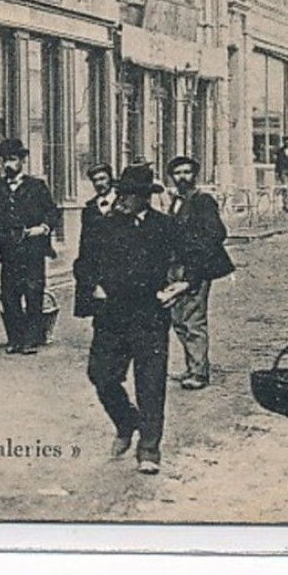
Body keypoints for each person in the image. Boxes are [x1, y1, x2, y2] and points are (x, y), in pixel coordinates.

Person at [76, 164, 184, 475]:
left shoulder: (166, 227)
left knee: (150, 383)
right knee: (101, 375)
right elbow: (83, 264)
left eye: (129, 195)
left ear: (144, 198)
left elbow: (202, 256)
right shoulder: (104, 224)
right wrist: (92, 286)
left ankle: (149, 449)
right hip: (111, 315)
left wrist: (181, 286)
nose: (121, 200)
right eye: (120, 193)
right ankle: (126, 420)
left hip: (150, 314)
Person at [0, 138, 60, 355]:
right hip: (9, 249)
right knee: (10, 294)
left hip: (33, 248)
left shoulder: (37, 186)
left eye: (13, 160)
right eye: (4, 160)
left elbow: (52, 212)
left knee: (34, 291)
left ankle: (31, 339)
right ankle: (15, 339)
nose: (8, 165)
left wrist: (43, 228)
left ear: (22, 161)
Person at [164, 156, 234, 391]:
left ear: (195, 175)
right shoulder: (175, 201)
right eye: (178, 173)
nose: (183, 177)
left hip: (195, 267)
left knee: (194, 319)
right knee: (177, 319)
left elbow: (217, 233)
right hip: (175, 266)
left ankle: (198, 372)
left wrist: (196, 255)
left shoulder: (203, 200)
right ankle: (192, 365)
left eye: (187, 172)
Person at [72, 164, 116, 320]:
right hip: (97, 265)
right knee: (100, 312)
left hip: (118, 264)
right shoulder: (90, 209)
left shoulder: (123, 204)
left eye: (103, 178)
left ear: (110, 179)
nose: (99, 184)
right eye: (95, 180)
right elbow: (85, 243)